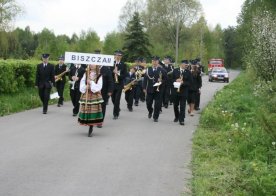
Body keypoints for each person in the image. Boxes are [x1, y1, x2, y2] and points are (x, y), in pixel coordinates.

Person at [78, 64, 104, 137]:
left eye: (94, 64)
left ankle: (91, 127)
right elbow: (82, 83)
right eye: (91, 64)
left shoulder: (99, 75)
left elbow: (99, 86)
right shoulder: (86, 73)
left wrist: (91, 83)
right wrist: (86, 86)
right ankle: (88, 123)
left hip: (94, 95)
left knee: (93, 111)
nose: (92, 65)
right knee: (87, 110)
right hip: (86, 94)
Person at [143, 56, 167, 122]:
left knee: (158, 104)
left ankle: (155, 117)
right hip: (150, 89)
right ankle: (150, 111)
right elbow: (145, 80)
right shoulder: (148, 69)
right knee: (148, 103)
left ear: (158, 62)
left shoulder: (162, 70)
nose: (154, 62)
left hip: (159, 90)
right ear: (151, 62)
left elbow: (166, 79)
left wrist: (161, 81)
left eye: (156, 61)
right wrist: (144, 87)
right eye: (153, 61)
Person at [95, 49, 114, 128]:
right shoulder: (92, 67)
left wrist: (110, 90)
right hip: (94, 91)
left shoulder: (106, 69)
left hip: (104, 91)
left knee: (102, 105)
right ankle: (93, 119)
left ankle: (100, 121)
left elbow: (110, 81)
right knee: (94, 105)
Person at [172, 60, 192, 125]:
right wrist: (176, 80)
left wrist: (183, 83)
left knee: (182, 106)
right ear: (181, 64)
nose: (186, 66)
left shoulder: (188, 72)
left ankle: (182, 119)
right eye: (185, 65)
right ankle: (177, 116)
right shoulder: (175, 70)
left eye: (187, 65)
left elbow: (190, 82)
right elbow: (171, 80)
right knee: (175, 105)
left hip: (184, 91)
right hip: (176, 91)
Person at [110, 50, 127, 120]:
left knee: (117, 99)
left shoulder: (123, 65)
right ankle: (117, 108)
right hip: (112, 83)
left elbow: (124, 75)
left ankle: (115, 114)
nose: (117, 56)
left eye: (119, 55)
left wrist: (118, 74)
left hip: (119, 84)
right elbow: (108, 74)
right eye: (116, 55)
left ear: (121, 57)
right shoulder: (111, 63)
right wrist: (113, 72)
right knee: (113, 99)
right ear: (114, 56)